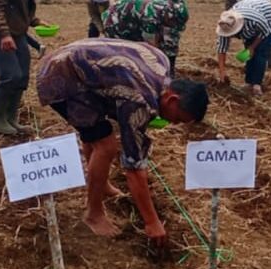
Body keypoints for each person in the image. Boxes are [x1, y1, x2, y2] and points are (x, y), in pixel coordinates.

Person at [36, 38, 209, 247]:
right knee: (106, 146)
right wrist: (152, 221)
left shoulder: (162, 63)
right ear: (172, 100)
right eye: (178, 118)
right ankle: (93, 214)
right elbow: (133, 169)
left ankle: (101, 184)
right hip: (60, 78)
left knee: (96, 132)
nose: (173, 123)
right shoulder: (140, 101)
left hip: (78, 69)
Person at [0, 0, 36, 134]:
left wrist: (34, 20)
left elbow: (23, 6)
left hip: (18, 33)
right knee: (11, 75)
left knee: (23, 76)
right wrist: (4, 34)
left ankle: (10, 117)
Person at [103, 0, 189, 76]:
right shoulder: (151, 15)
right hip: (116, 21)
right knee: (129, 54)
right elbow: (151, 46)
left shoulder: (178, 7)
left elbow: (172, 40)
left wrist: (170, 64)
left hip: (136, 20)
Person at [215, 0, 271, 97]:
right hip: (250, 17)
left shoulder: (254, 20)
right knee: (249, 53)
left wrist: (252, 47)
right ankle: (249, 82)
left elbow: (264, 32)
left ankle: (257, 84)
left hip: (268, 20)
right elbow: (221, 49)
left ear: (238, 27)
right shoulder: (225, 24)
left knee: (260, 52)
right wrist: (222, 72)